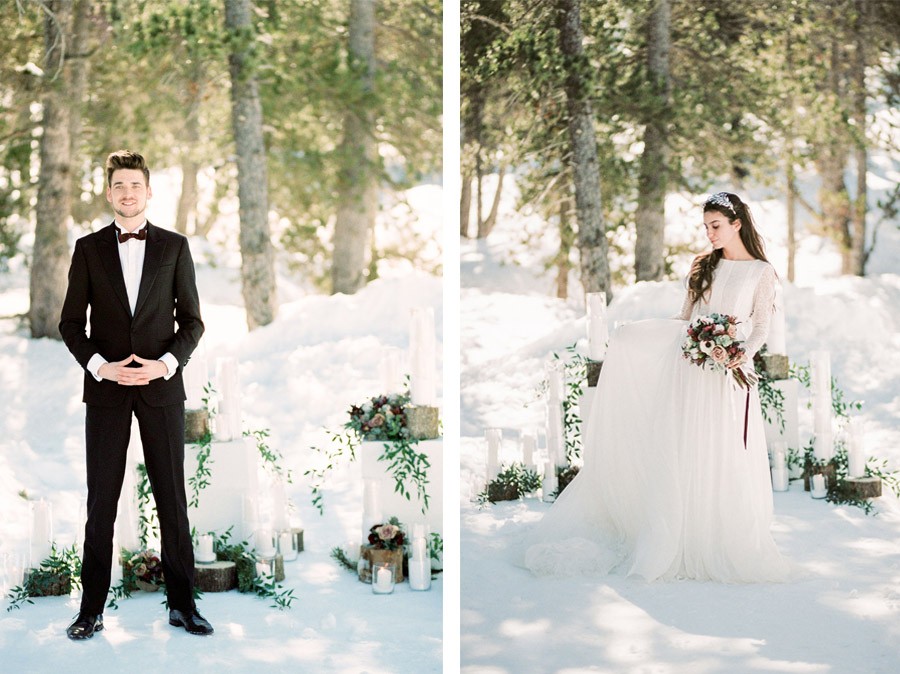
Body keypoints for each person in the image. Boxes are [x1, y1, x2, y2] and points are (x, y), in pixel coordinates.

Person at [524, 192, 789, 582]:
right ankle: (675, 533)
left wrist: (738, 354)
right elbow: (684, 319)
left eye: (715, 226)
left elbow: (762, 326)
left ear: (737, 224)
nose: (709, 234)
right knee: (682, 449)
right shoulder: (704, 267)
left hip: (725, 377)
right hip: (690, 371)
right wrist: (643, 335)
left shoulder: (761, 272)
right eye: (705, 227)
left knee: (718, 452)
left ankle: (714, 536)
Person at [59, 150, 213, 638]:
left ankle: (183, 606)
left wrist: (164, 365)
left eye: (136, 186)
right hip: (105, 393)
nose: (128, 193)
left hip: (162, 391)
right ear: (109, 193)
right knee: (101, 501)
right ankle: (90, 610)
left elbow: (192, 322)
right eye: (119, 186)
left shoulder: (174, 246)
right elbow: (69, 324)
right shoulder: (87, 249)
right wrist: (101, 367)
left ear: (149, 192)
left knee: (172, 499)